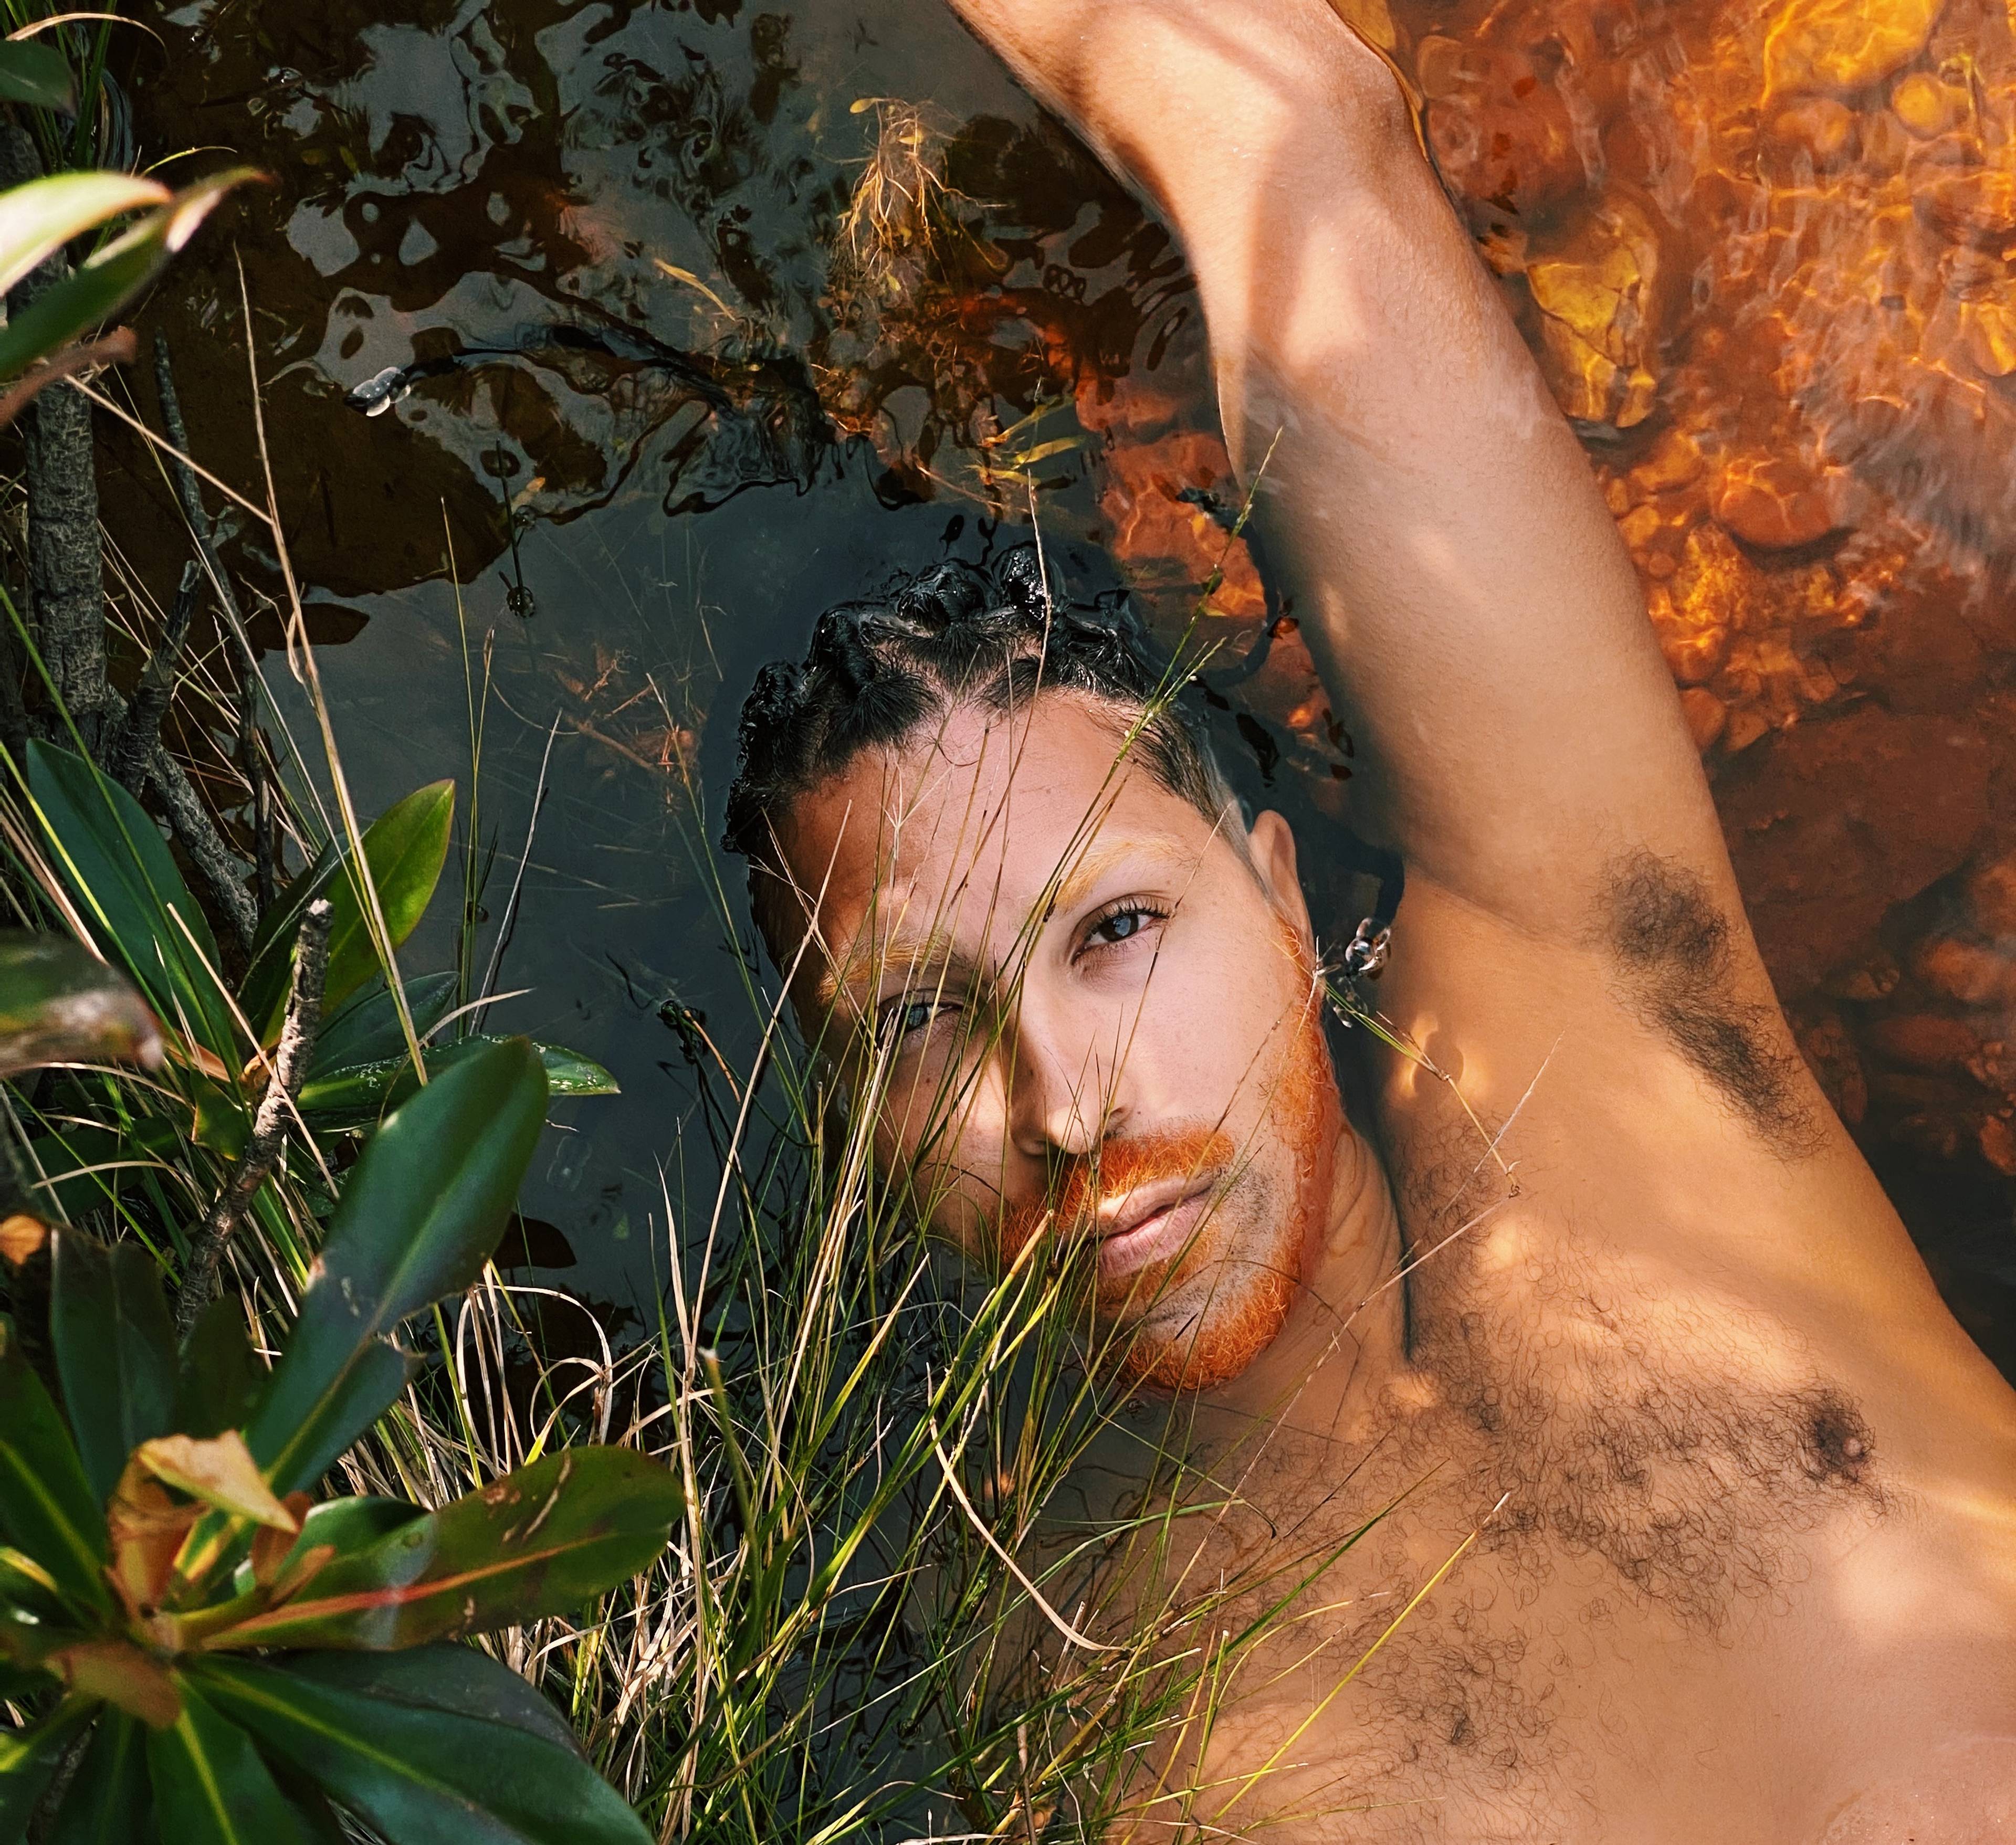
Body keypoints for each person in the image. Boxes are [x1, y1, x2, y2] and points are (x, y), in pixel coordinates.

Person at [720, 3, 2016, 1837]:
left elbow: (1298, 136)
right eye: (924, 1018)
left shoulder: (1613, 1038)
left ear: (1270, 879)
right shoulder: (1030, 1705)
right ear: (836, 1124)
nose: (1064, 1097)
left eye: (1113, 930)